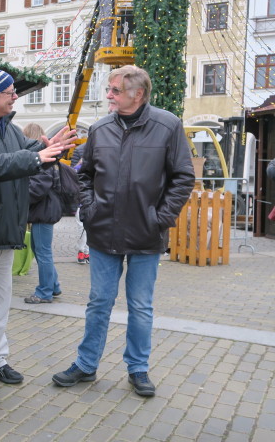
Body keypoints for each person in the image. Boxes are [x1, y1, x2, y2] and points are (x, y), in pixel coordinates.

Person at [51, 65, 195, 397]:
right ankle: (86, 365)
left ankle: (138, 369)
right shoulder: (100, 129)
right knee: (99, 302)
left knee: (141, 305)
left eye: (115, 89)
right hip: (103, 232)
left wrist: (160, 218)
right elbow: (83, 174)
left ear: (138, 93)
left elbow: (183, 177)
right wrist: (89, 208)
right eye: (110, 89)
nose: (109, 95)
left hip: (146, 233)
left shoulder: (167, 126)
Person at [0, 67, 77, 399]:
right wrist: (37, 154)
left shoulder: (7, 126)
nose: (15, 97)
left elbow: (30, 153)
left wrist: (52, 148)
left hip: (7, 229)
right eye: (10, 92)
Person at [21, 123, 63, 304]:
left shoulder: (41, 159)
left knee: (43, 252)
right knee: (41, 251)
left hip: (42, 213)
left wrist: (18, 196)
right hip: (44, 212)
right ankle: (53, 286)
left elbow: (37, 189)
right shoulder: (46, 157)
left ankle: (44, 292)